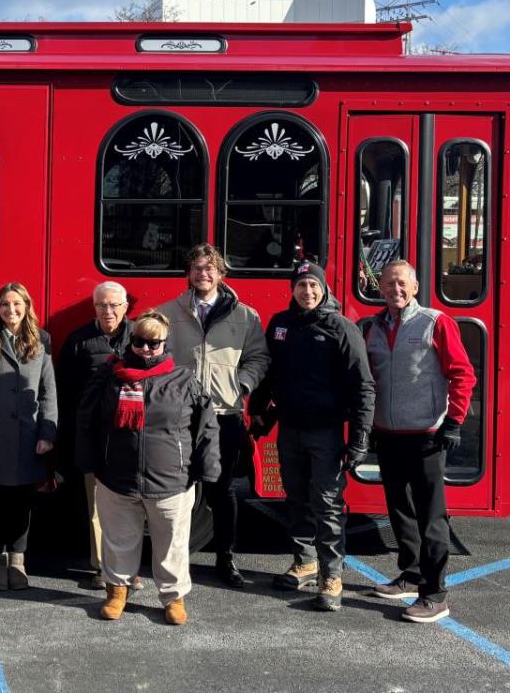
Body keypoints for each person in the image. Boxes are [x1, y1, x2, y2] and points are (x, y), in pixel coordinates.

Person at [76, 310, 220, 626]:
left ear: (164, 344)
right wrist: (88, 463)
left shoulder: (184, 379)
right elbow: (87, 420)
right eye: (140, 341)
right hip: (117, 477)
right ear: (132, 341)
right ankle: (116, 591)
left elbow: (206, 427)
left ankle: (173, 597)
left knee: (172, 544)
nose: (145, 349)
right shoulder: (110, 376)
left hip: (171, 480)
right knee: (117, 540)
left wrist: (207, 469)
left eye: (153, 343)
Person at [248, 261, 375, 610]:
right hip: (288, 430)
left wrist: (360, 438)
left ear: (324, 290)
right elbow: (268, 375)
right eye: (302, 285)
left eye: (313, 286)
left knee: (328, 504)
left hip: (326, 433)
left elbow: (363, 387)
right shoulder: (280, 325)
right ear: (293, 289)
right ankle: (305, 561)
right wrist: (259, 412)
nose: (308, 292)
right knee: (296, 498)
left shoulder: (341, 329)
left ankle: (331, 575)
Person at [363, 260, 475, 623]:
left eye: (402, 283)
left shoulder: (435, 322)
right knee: (399, 509)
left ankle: (435, 594)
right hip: (389, 435)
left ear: (414, 287)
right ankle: (410, 575)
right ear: (380, 288)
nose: (395, 289)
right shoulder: (374, 328)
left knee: (431, 517)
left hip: (427, 435)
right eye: (389, 283)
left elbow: (462, 373)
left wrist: (454, 421)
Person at [158, 244, 269, 588]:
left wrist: (242, 385)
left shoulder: (245, 316)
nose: (202, 274)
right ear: (188, 275)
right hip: (180, 415)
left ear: (221, 274)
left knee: (223, 491)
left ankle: (226, 558)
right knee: (177, 490)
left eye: (209, 269)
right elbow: (152, 356)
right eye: (196, 269)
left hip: (225, 414)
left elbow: (258, 358)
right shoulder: (167, 312)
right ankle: (174, 562)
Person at [0, 282, 57, 591]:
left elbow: (48, 391)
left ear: (27, 306)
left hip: (29, 435)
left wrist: (48, 431)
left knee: (22, 502)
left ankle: (18, 559)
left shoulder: (41, 339)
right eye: (5, 304)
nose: (11, 310)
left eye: (17, 304)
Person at [58, 281, 133, 590]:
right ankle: (103, 569)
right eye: (102, 305)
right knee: (97, 508)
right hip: (94, 438)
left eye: (115, 305)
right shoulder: (79, 341)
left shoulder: (141, 338)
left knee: (130, 507)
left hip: (129, 439)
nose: (108, 311)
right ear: (95, 308)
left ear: (126, 307)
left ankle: (127, 568)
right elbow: (65, 391)